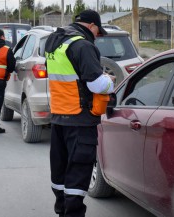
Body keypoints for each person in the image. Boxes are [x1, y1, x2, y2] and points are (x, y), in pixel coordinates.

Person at [44, 10, 114, 217]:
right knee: (78, 172)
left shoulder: (55, 41)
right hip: (80, 120)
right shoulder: (82, 45)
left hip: (58, 116)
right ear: (92, 25)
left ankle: (61, 210)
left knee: (60, 170)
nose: (97, 36)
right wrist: (110, 81)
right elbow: (96, 84)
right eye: (98, 32)